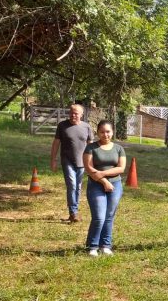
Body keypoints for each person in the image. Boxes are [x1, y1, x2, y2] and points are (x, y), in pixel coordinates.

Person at [83, 120, 126, 256]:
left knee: (109, 216)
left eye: (108, 131)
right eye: (102, 132)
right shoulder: (90, 148)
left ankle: (105, 245)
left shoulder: (119, 148)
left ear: (112, 132)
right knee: (99, 217)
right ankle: (92, 246)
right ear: (98, 133)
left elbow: (121, 168)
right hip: (96, 185)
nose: (105, 134)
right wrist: (104, 181)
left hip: (116, 185)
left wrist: (103, 173)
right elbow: (89, 168)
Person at [50, 104, 94, 222]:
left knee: (78, 187)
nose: (73, 115)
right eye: (71, 112)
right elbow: (56, 143)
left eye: (76, 113)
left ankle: (74, 211)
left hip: (82, 162)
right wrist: (53, 159)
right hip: (67, 160)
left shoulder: (87, 127)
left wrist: (91, 162)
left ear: (81, 115)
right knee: (72, 185)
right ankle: (73, 212)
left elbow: (90, 145)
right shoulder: (62, 126)